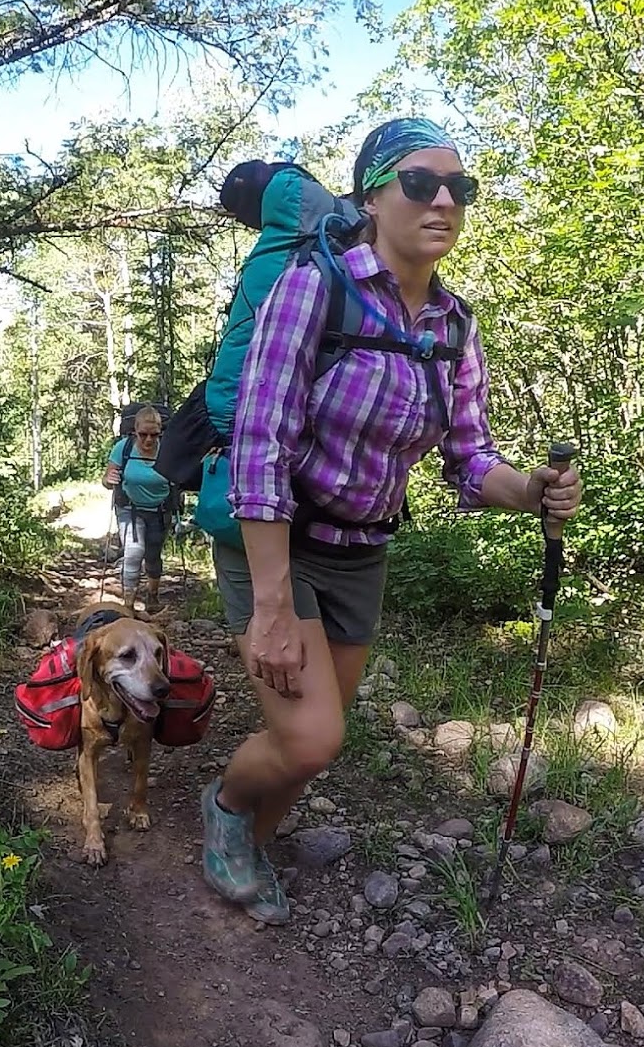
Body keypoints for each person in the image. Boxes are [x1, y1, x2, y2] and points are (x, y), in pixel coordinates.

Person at [198, 118, 584, 925]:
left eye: (460, 189)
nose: (443, 200)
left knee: (315, 743)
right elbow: (260, 445)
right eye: (419, 183)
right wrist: (271, 603)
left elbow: (471, 458)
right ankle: (228, 808)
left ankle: (256, 848)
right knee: (309, 739)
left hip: (361, 549)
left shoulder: (453, 327)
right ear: (372, 195)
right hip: (277, 540)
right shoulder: (314, 285)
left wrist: (533, 489)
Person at [103, 406, 176, 612]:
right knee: (134, 552)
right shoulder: (123, 448)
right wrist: (109, 479)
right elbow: (108, 479)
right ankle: (128, 606)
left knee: (153, 555)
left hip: (160, 511)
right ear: (135, 431)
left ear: (160, 432)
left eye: (154, 435)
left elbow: (182, 477)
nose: (148, 440)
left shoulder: (168, 451)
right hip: (129, 508)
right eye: (143, 434)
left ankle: (152, 597)